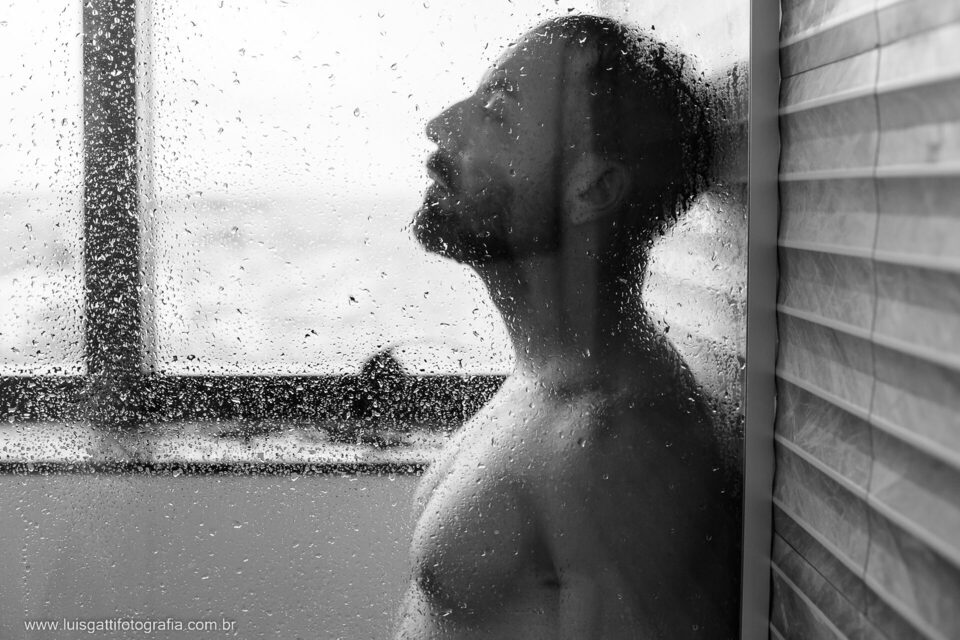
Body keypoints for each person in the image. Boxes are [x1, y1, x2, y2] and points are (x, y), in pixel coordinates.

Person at [397, 15, 740, 639]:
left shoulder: (615, 441)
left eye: (496, 113)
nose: (442, 125)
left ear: (593, 189)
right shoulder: (547, 383)